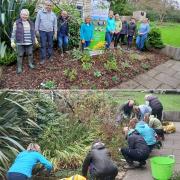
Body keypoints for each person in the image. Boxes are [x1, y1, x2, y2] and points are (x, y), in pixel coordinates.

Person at [11, 9, 38, 74]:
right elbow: (13, 33)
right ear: (20, 15)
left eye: (26, 15)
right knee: (20, 55)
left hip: (29, 42)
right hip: (20, 42)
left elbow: (33, 32)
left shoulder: (31, 23)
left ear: (28, 16)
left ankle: (30, 64)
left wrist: (35, 39)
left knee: (30, 53)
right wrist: (12, 41)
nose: (25, 16)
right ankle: (19, 67)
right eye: (23, 14)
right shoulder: (16, 23)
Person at [35, 0, 57, 64]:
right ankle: (43, 58)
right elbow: (37, 22)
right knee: (43, 45)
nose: (49, 6)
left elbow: (55, 24)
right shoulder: (40, 12)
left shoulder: (53, 14)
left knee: (50, 44)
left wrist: (55, 33)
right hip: (42, 31)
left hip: (50, 32)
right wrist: (36, 31)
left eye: (50, 5)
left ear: (52, 6)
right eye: (47, 5)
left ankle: (50, 56)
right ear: (45, 5)